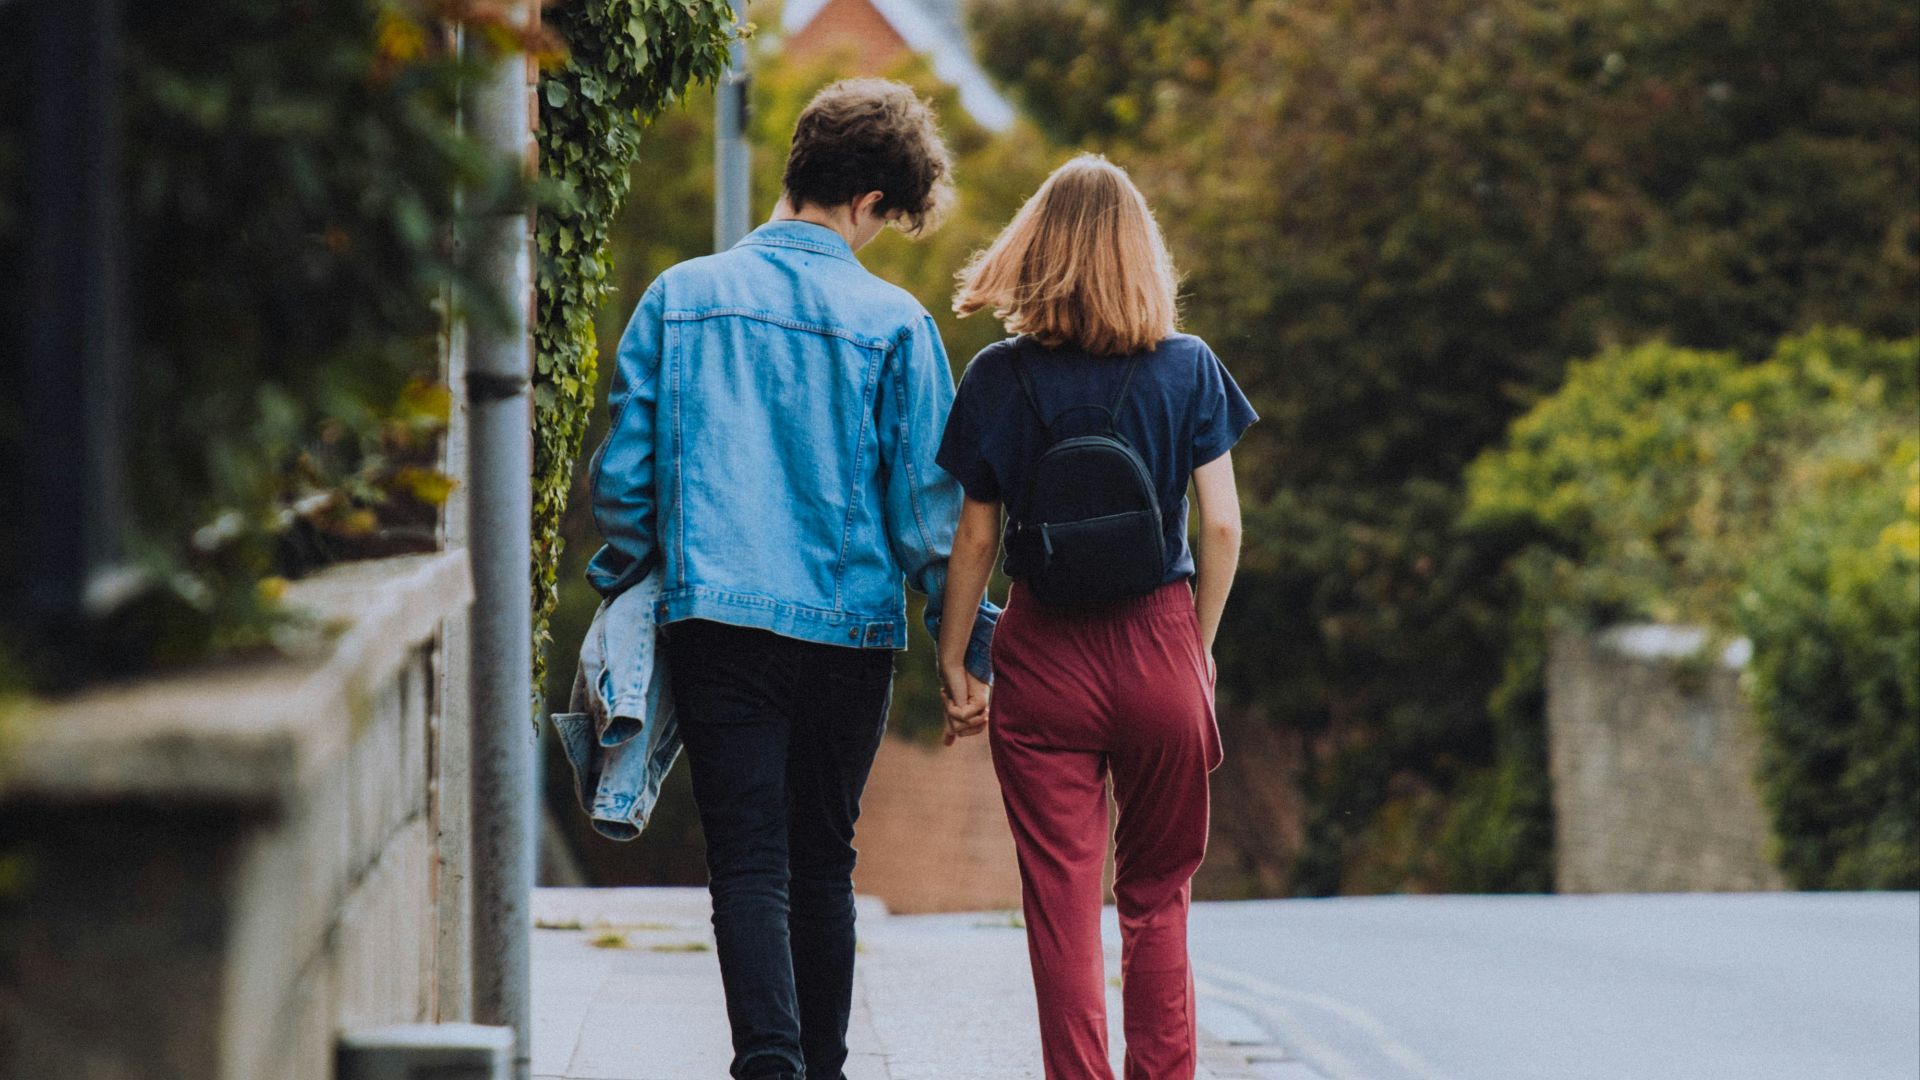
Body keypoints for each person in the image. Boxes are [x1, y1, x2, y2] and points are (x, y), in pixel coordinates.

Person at [583, 78, 999, 1080]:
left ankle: (766, 1065)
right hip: (850, 636)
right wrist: (967, 647)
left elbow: (625, 488)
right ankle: (827, 1069)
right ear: (866, 203)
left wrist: (639, 582)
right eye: (885, 223)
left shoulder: (677, 300)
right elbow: (928, 519)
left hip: (716, 627)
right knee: (825, 858)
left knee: (748, 860)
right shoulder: (897, 326)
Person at [934, 154, 1256, 1079]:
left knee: (1062, 907)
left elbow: (974, 540)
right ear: (1140, 255)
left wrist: (960, 663)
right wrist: (1194, 649)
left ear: (1036, 248)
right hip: (1159, 641)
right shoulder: (1189, 368)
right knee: (1157, 894)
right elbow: (1225, 525)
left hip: (1043, 656)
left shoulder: (1000, 376)